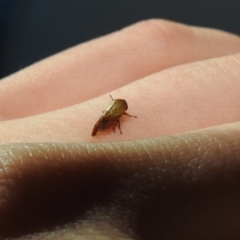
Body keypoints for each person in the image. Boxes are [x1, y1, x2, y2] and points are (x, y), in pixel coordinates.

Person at [1, 19, 240, 239]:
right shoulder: (117, 112)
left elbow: (119, 113)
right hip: (107, 115)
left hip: (108, 114)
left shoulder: (118, 111)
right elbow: (118, 114)